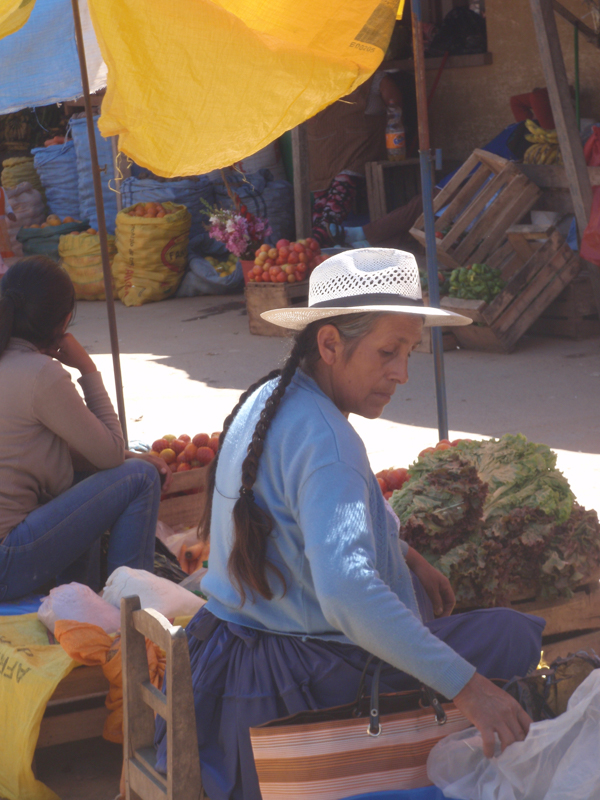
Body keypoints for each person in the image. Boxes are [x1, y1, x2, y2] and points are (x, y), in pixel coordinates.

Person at [155, 249, 544, 800]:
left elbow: (307, 517)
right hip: (286, 688)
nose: (402, 374)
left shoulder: (268, 397)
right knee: (508, 635)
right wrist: (470, 690)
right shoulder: (328, 442)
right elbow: (347, 592)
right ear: (330, 344)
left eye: (408, 353)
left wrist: (407, 556)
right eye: (388, 352)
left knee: (448, 619)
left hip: (225, 661)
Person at [0, 257, 170, 601]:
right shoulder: (40, 374)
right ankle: (128, 608)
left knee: (94, 477)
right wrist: (87, 368)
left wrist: (124, 456)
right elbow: (109, 454)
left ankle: (83, 598)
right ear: (64, 321)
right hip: (8, 559)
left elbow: (68, 453)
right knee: (141, 477)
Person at [307, 72, 405, 246]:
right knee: (327, 201)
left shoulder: (369, 77)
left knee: (334, 197)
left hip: (351, 152)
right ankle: (319, 240)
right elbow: (394, 101)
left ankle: (320, 239)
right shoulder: (320, 78)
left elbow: (394, 103)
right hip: (330, 154)